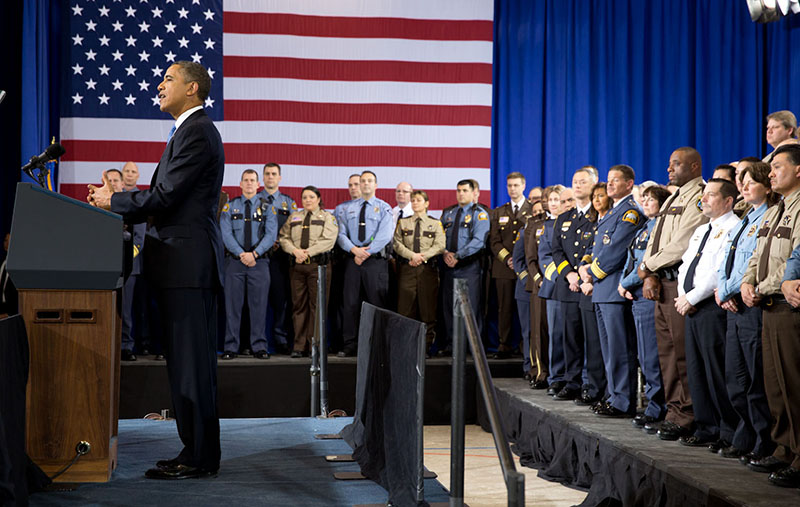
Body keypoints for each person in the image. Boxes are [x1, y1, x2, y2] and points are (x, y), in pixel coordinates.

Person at [87, 61, 223, 479]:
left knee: (192, 365)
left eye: (168, 79)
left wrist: (116, 202)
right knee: (183, 364)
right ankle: (193, 450)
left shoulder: (197, 131)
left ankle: (199, 457)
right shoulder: (186, 130)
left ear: (193, 88)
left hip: (188, 266)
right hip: (177, 265)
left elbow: (165, 197)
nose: (159, 85)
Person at [638, 147, 709, 440]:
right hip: (661, 281)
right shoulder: (674, 196)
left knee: (682, 355)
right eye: (669, 164)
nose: (669, 169)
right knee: (666, 354)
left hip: (680, 283)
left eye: (676, 164)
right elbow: (656, 237)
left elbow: (683, 242)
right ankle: (674, 411)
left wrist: (647, 265)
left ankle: (689, 415)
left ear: (694, 166)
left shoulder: (698, 196)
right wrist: (651, 272)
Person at [742, 144, 800, 487]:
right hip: (766, 303)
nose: (771, 173)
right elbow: (757, 254)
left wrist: (762, 286)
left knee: (793, 382)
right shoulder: (774, 210)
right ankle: (783, 448)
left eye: (777, 166)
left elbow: (794, 257)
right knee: (774, 384)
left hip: (785, 304)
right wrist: (749, 282)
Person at [716, 162, 778, 462]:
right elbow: (726, 260)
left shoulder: (769, 216)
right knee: (735, 378)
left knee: (755, 380)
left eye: (750, 182)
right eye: (741, 182)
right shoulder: (744, 218)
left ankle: (764, 441)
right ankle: (745, 434)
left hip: (750, 305)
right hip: (732, 305)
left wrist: (729, 290)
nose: (743, 187)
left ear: (767, 186)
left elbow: (753, 262)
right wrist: (722, 289)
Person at [675, 179, 741, 450]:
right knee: (696, 370)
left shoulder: (733, 227)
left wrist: (691, 298)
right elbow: (686, 265)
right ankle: (705, 427)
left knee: (716, 370)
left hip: (710, 306)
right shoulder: (702, 229)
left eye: (711, 195)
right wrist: (683, 294)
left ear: (728, 201)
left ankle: (727, 431)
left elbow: (718, 270)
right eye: (703, 195)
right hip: (689, 304)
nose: (704, 200)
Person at [579, 165, 644, 417]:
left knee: (619, 348)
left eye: (616, 180)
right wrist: (586, 268)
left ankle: (622, 401)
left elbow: (616, 250)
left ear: (629, 184)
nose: (610, 184)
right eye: (608, 180)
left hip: (613, 289)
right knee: (608, 349)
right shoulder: (612, 212)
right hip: (602, 290)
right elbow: (600, 248)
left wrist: (592, 273)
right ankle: (613, 395)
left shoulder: (630, 213)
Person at [619, 185, 671, 430]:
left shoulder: (660, 228)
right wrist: (623, 281)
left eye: (652, 199)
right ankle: (653, 404)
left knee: (653, 355)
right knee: (644, 354)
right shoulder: (643, 228)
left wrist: (626, 282)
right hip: (637, 296)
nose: (646, 202)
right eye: (645, 198)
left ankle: (657, 407)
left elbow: (645, 262)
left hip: (650, 295)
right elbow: (630, 258)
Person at [550, 168, 601, 401]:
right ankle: (572, 382)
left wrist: (583, 277)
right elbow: (557, 251)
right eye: (575, 182)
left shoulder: (600, 214)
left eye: (583, 182)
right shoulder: (564, 218)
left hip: (590, 285)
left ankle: (591, 384)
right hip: (569, 286)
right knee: (570, 337)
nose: (578, 185)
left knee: (592, 338)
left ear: (594, 184)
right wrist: (570, 275)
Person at [220, 170, 278, 360]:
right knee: (232, 307)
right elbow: (226, 234)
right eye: (246, 180)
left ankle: (259, 346)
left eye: (253, 180)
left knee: (259, 306)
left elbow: (271, 235)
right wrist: (241, 254)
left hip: (259, 263)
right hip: (234, 263)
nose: (249, 183)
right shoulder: (230, 207)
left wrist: (254, 254)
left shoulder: (268, 208)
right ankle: (231, 347)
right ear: (240, 183)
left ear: (258, 184)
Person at [336, 170, 393, 356]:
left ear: (376, 185)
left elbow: (385, 235)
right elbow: (341, 233)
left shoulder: (384, 208)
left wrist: (366, 252)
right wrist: (354, 250)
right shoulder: (347, 209)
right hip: (353, 260)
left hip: (375, 262)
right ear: (359, 185)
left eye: (370, 181)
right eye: (363, 181)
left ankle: (377, 345)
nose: (366, 184)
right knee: (350, 303)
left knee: (376, 303)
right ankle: (349, 344)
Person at [279, 186, 338, 358]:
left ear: (319, 199)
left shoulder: (327, 217)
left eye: (311, 197)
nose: (308, 200)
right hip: (297, 266)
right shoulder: (294, 217)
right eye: (304, 197)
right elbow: (284, 237)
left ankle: (316, 346)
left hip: (317, 266)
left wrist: (307, 253)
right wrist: (295, 252)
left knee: (317, 307)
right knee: (298, 306)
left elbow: (328, 241)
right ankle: (299, 346)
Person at [439, 180, 490, 355]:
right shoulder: (448, 213)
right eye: (458, 190)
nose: (461, 194)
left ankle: (472, 347)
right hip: (448, 266)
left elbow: (478, 241)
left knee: (470, 307)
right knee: (448, 307)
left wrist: (458, 256)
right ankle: (452, 345)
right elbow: (439, 237)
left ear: (473, 192)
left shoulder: (480, 214)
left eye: (465, 190)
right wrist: (445, 252)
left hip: (469, 266)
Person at [393, 190, 445, 354]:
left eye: (419, 200)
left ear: (427, 203)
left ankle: (426, 347)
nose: (415, 203)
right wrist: (412, 256)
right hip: (408, 269)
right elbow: (397, 243)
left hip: (427, 270)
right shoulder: (403, 223)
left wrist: (421, 257)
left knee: (427, 310)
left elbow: (440, 245)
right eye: (413, 200)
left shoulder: (435, 224)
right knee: (405, 310)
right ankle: (406, 347)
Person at [489, 172, 533, 358]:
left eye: (516, 185)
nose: (512, 189)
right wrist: (508, 259)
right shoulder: (499, 211)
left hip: (527, 268)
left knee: (527, 309)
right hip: (504, 267)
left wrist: (519, 261)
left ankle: (526, 347)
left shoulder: (533, 210)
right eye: (509, 186)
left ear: (523, 186)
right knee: (504, 308)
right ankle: (504, 345)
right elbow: (494, 241)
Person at [261, 162, 296, 355]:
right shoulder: (255, 200)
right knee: (256, 301)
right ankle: (253, 341)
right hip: (258, 257)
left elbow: (294, 229)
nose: (270, 177)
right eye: (267, 174)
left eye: (274, 174)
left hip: (280, 258)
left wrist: (280, 242)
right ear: (263, 177)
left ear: (279, 177)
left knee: (282, 301)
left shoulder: (288, 203)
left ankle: (281, 339)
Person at [537, 185, 565, 391]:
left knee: (574, 335)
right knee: (555, 334)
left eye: (559, 200)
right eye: (552, 200)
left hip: (577, 286)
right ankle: (556, 377)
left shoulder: (577, 222)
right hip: (556, 285)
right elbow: (544, 257)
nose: (555, 203)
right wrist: (562, 275)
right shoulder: (546, 226)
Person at [0, 233, 18, 318]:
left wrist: (9, 314)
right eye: (5, 240)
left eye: (10, 241)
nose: (7, 243)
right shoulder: (2, 263)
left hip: (12, 313)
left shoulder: (18, 266)